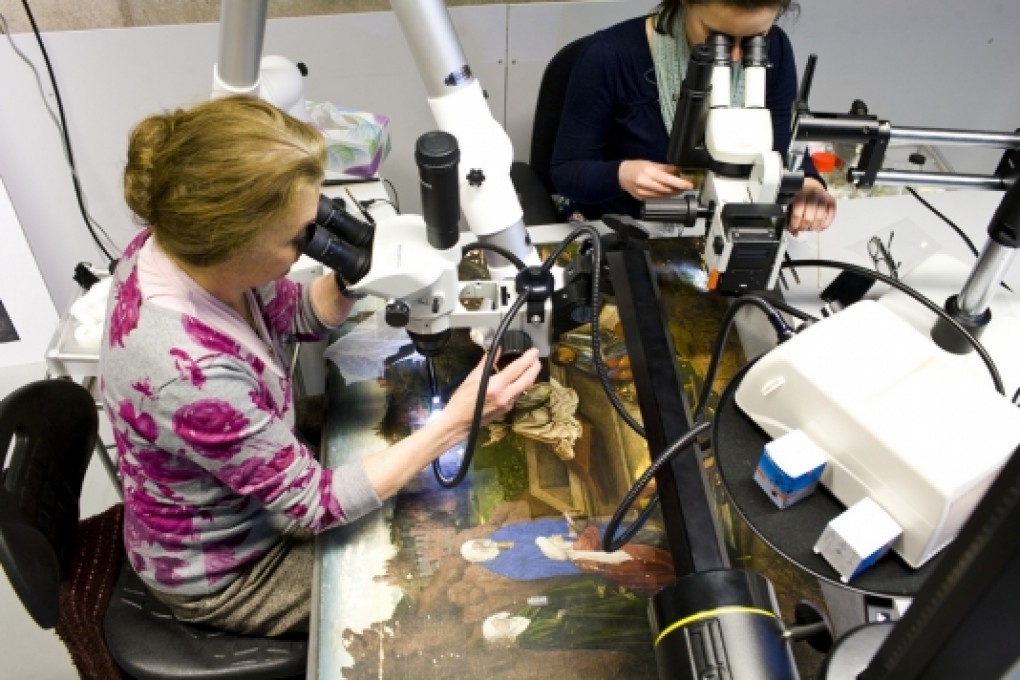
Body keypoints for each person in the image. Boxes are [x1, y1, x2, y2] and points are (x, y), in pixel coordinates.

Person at [100, 94, 542, 636]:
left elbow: (297, 313)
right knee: (443, 584)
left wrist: (366, 268)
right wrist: (456, 422)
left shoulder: (176, 248)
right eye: (297, 236)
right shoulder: (188, 373)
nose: (312, 243)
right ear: (231, 242)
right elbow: (317, 504)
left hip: (256, 486)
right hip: (234, 571)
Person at [549, 0, 837, 235]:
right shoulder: (608, 56)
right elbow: (566, 171)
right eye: (717, 36)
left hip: (728, 225)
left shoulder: (777, 49)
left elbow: (779, 149)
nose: (736, 57)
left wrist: (807, 185)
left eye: (754, 39)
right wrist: (622, 175)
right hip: (626, 228)